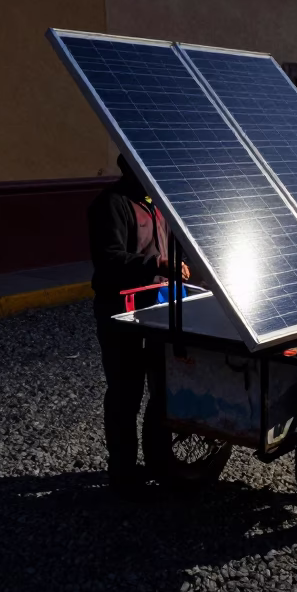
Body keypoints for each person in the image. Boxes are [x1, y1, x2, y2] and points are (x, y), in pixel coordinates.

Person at [88, 154, 189, 495]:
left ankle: (160, 462)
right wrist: (157, 263)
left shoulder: (158, 205)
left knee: (162, 390)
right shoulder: (110, 204)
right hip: (121, 313)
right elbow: (110, 259)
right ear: (127, 167)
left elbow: (177, 248)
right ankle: (123, 474)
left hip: (159, 311)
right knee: (125, 393)